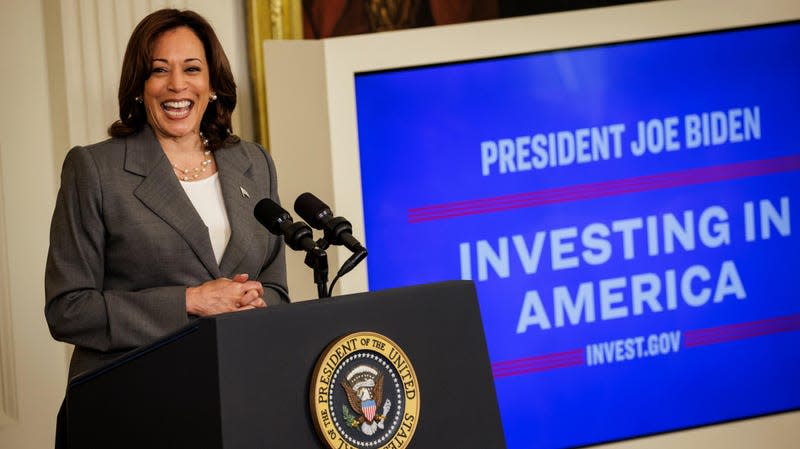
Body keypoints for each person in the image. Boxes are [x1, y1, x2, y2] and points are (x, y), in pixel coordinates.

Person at [45, 8, 289, 381]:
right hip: (135, 394)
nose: (177, 84)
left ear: (213, 85)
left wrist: (244, 303)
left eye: (192, 69)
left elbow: (275, 290)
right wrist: (191, 301)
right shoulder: (94, 169)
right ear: (140, 87)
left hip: (241, 386)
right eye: (160, 69)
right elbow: (68, 310)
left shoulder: (254, 162)